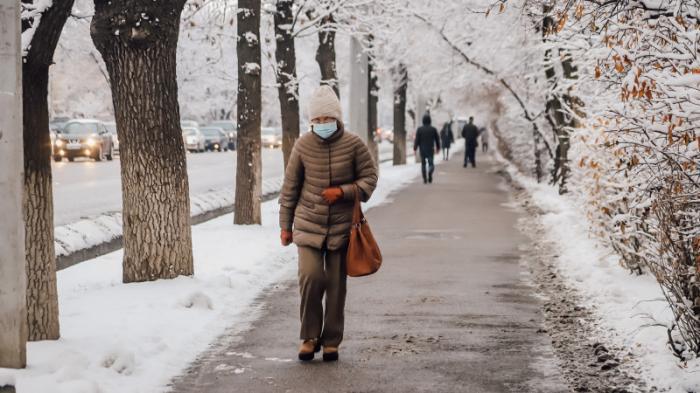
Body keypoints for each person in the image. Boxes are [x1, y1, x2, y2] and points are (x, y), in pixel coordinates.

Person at [279, 85, 378, 363]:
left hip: (342, 228)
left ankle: (332, 341)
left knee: (335, 285)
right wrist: (285, 226)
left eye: (327, 119)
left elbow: (370, 179)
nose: (322, 124)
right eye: (317, 120)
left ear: (337, 118)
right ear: (311, 121)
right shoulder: (302, 145)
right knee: (311, 278)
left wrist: (344, 192)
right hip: (308, 225)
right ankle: (309, 337)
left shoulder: (354, 144)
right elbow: (289, 188)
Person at [413, 114, 441, 184]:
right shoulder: (433, 129)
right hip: (430, 149)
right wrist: (438, 148)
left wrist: (415, 148)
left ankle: (425, 178)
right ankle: (430, 172)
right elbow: (437, 139)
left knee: (423, 164)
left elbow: (417, 140)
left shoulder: (419, 129)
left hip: (422, 149)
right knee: (431, 163)